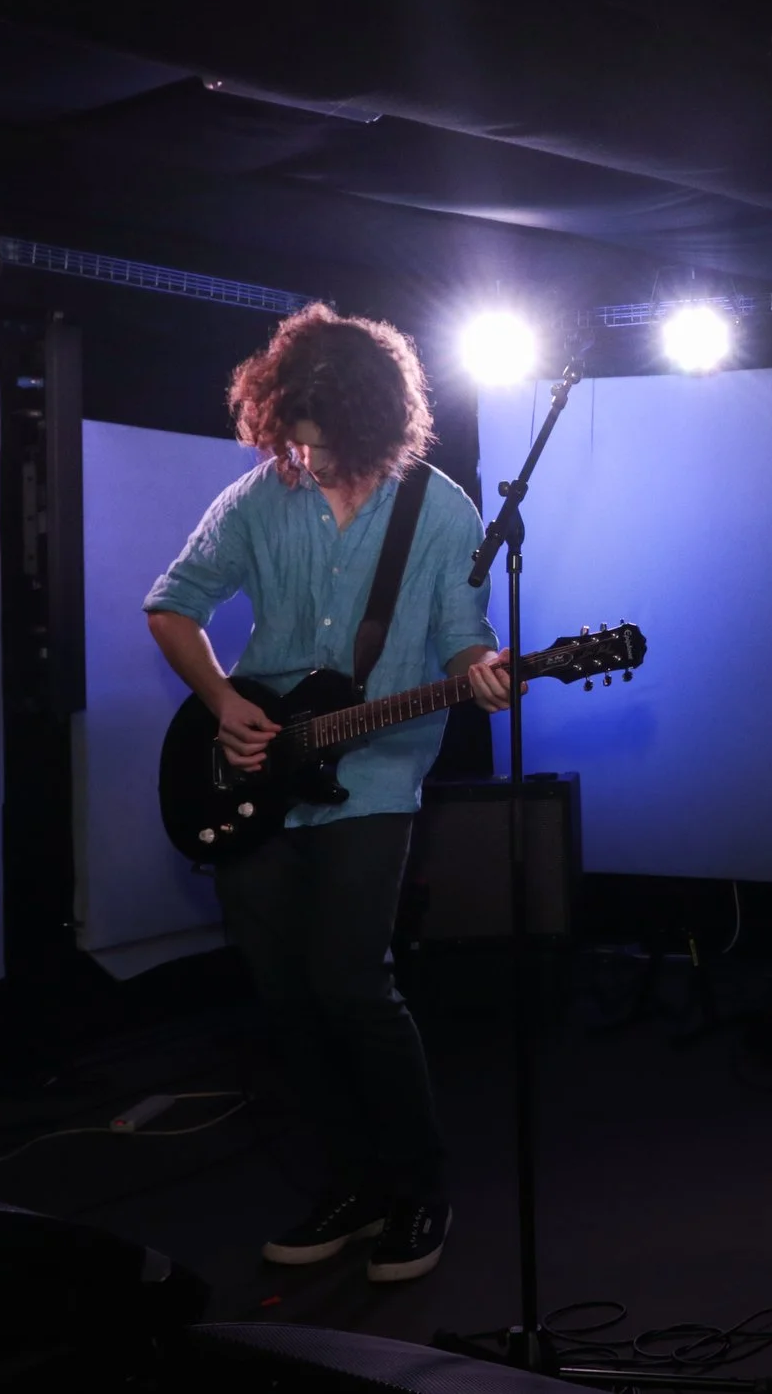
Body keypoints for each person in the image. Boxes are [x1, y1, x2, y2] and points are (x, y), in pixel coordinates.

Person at [145, 304, 513, 1284]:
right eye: (288, 444)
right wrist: (222, 700)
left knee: (354, 980)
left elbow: (458, 630)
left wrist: (478, 664)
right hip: (257, 771)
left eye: (318, 446)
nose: (300, 463)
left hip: (378, 772)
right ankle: (350, 1183)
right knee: (286, 995)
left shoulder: (437, 506)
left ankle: (419, 1186)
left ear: (368, 423)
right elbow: (171, 603)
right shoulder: (260, 495)